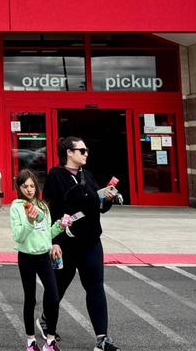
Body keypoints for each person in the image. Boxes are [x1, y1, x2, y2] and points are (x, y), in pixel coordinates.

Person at [42, 137, 121, 351]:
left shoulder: (88, 175)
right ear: (69, 152)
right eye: (82, 150)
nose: (86, 154)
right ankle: (46, 323)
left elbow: (98, 207)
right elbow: (50, 210)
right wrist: (54, 241)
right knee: (57, 287)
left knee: (95, 287)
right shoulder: (55, 176)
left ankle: (102, 338)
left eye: (86, 150)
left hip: (91, 241)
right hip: (66, 243)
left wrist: (108, 199)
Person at [11, 168, 69, 351]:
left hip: (44, 257)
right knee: (30, 299)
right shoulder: (16, 206)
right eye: (25, 186)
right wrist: (29, 222)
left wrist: (60, 226)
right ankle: (30, 341)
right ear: (19, 188)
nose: (29, 190)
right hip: (27, 257)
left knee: (53, 296)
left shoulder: (43, 205)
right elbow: (18, 237)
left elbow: (48, 234)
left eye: (32, 186)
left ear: (36, 186)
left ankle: (50, 340)